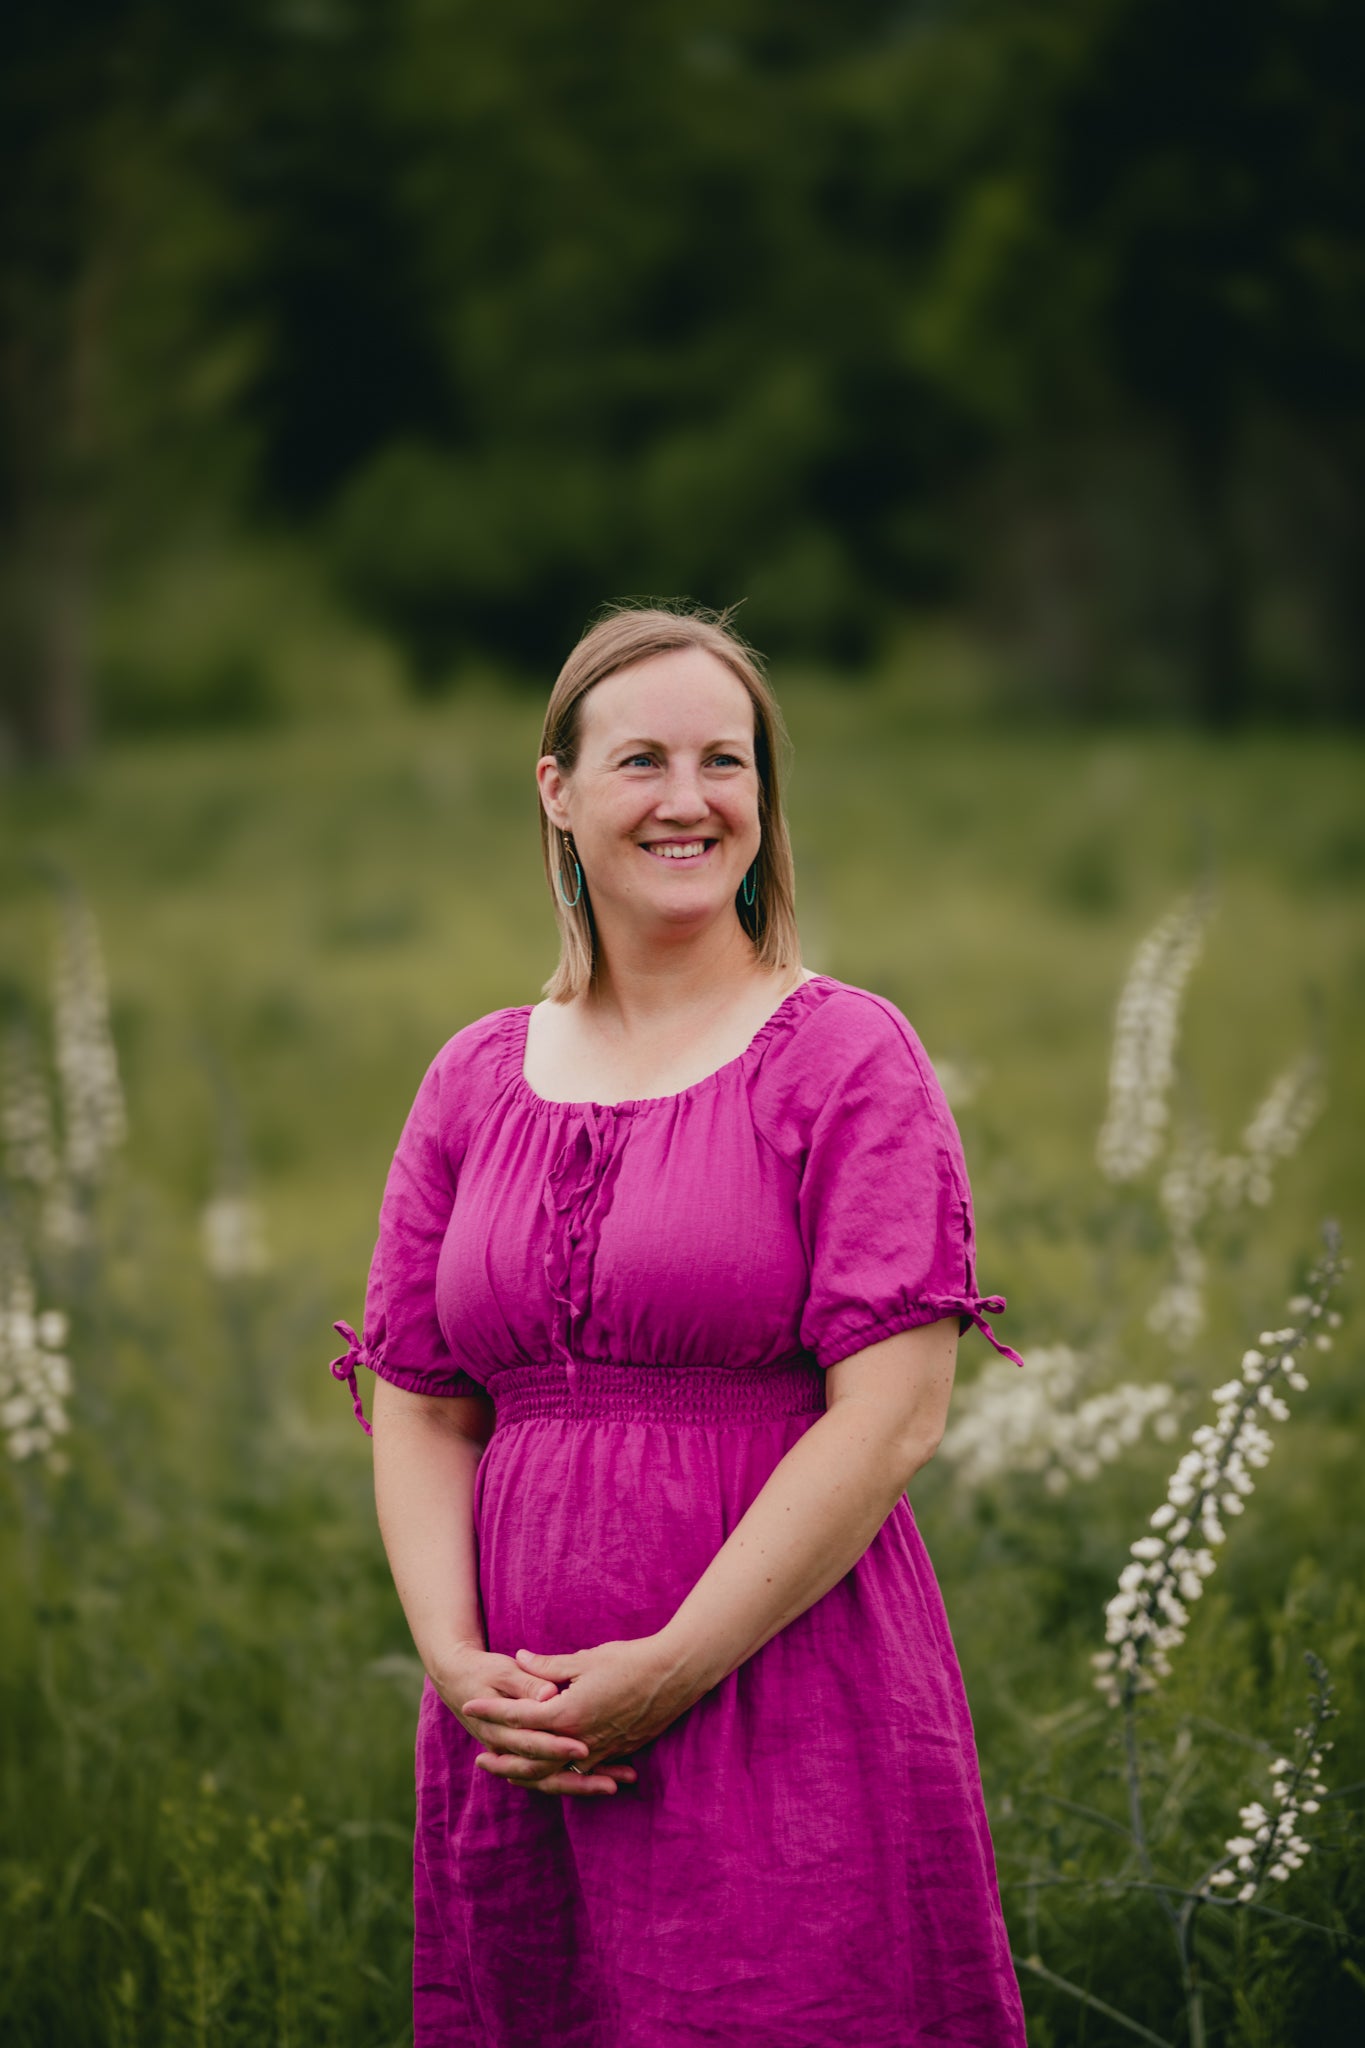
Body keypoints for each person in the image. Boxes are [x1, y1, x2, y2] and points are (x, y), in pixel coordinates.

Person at [329, 604, 1027, 2046]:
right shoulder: (470, 1080)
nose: (688, 800)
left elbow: (891, 1415)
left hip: (781, 1700)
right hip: (520, 1735)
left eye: (727, 762)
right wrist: (454, 1662)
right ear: (558, 792)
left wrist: (671, 1668)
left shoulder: (844, 1057)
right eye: (640, 759)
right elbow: (421, 1398)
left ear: (764, 803)